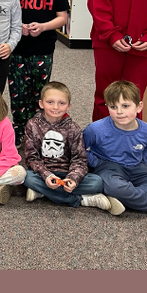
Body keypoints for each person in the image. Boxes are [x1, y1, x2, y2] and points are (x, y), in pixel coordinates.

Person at [6, 0, 70, 145]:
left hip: (43, 49)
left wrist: (43, 27)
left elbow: (62, 17)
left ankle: (36, 131)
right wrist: (19, 27)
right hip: (17, 49)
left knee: (39, 93)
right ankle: (19, 130)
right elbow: (7, 14)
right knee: (18, 94)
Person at [23, 81, 124, 213]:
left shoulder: (73, 128)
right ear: (41, 103)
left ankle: (43, 192)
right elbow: (31, 157)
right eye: (50, 102)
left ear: (68, 106)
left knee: (98, 182)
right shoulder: (32, 125)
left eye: (61, 103)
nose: (55, 107)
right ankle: (81, 199)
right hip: (42, 174)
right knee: (25, 177)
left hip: (67, 174)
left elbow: (80, 159)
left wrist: (73, 178)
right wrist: (46, 175)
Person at [82, 80, 147, 215]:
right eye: (113, 107)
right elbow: (78, 148)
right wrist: (95, 162)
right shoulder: (95, 129)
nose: (119, 112)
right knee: (116, 186)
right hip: (108, 167)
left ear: (139, 107)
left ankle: (123, 195)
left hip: (137, 168)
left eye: (125, 106)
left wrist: (145, 162)